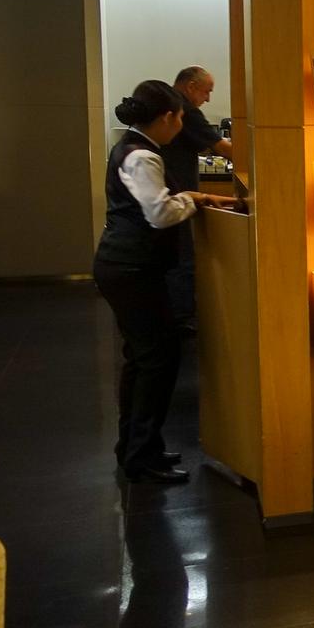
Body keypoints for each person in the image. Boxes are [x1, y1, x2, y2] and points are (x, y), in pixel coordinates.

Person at [94, 81, 230, 484]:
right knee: (156, 361)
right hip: (132, 268)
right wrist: (192, 200)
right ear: (168, 117)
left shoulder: (132, 147)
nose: (181, 126)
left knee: (142, 359)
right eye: (180, 118)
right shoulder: (143, 156)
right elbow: (160, 215)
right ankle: (140, 455)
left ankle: (138, 448)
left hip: (125, 266)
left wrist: (192, 196)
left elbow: (153, 203)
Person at [163, 66, 233, 325]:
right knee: (182, 256)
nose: (208, 99)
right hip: (177, 192)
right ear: (191, 86)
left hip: (173, 191)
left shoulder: (170, 103)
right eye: (207, 91)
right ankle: (181, 318)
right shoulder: (186, 110)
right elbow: (223, 148)